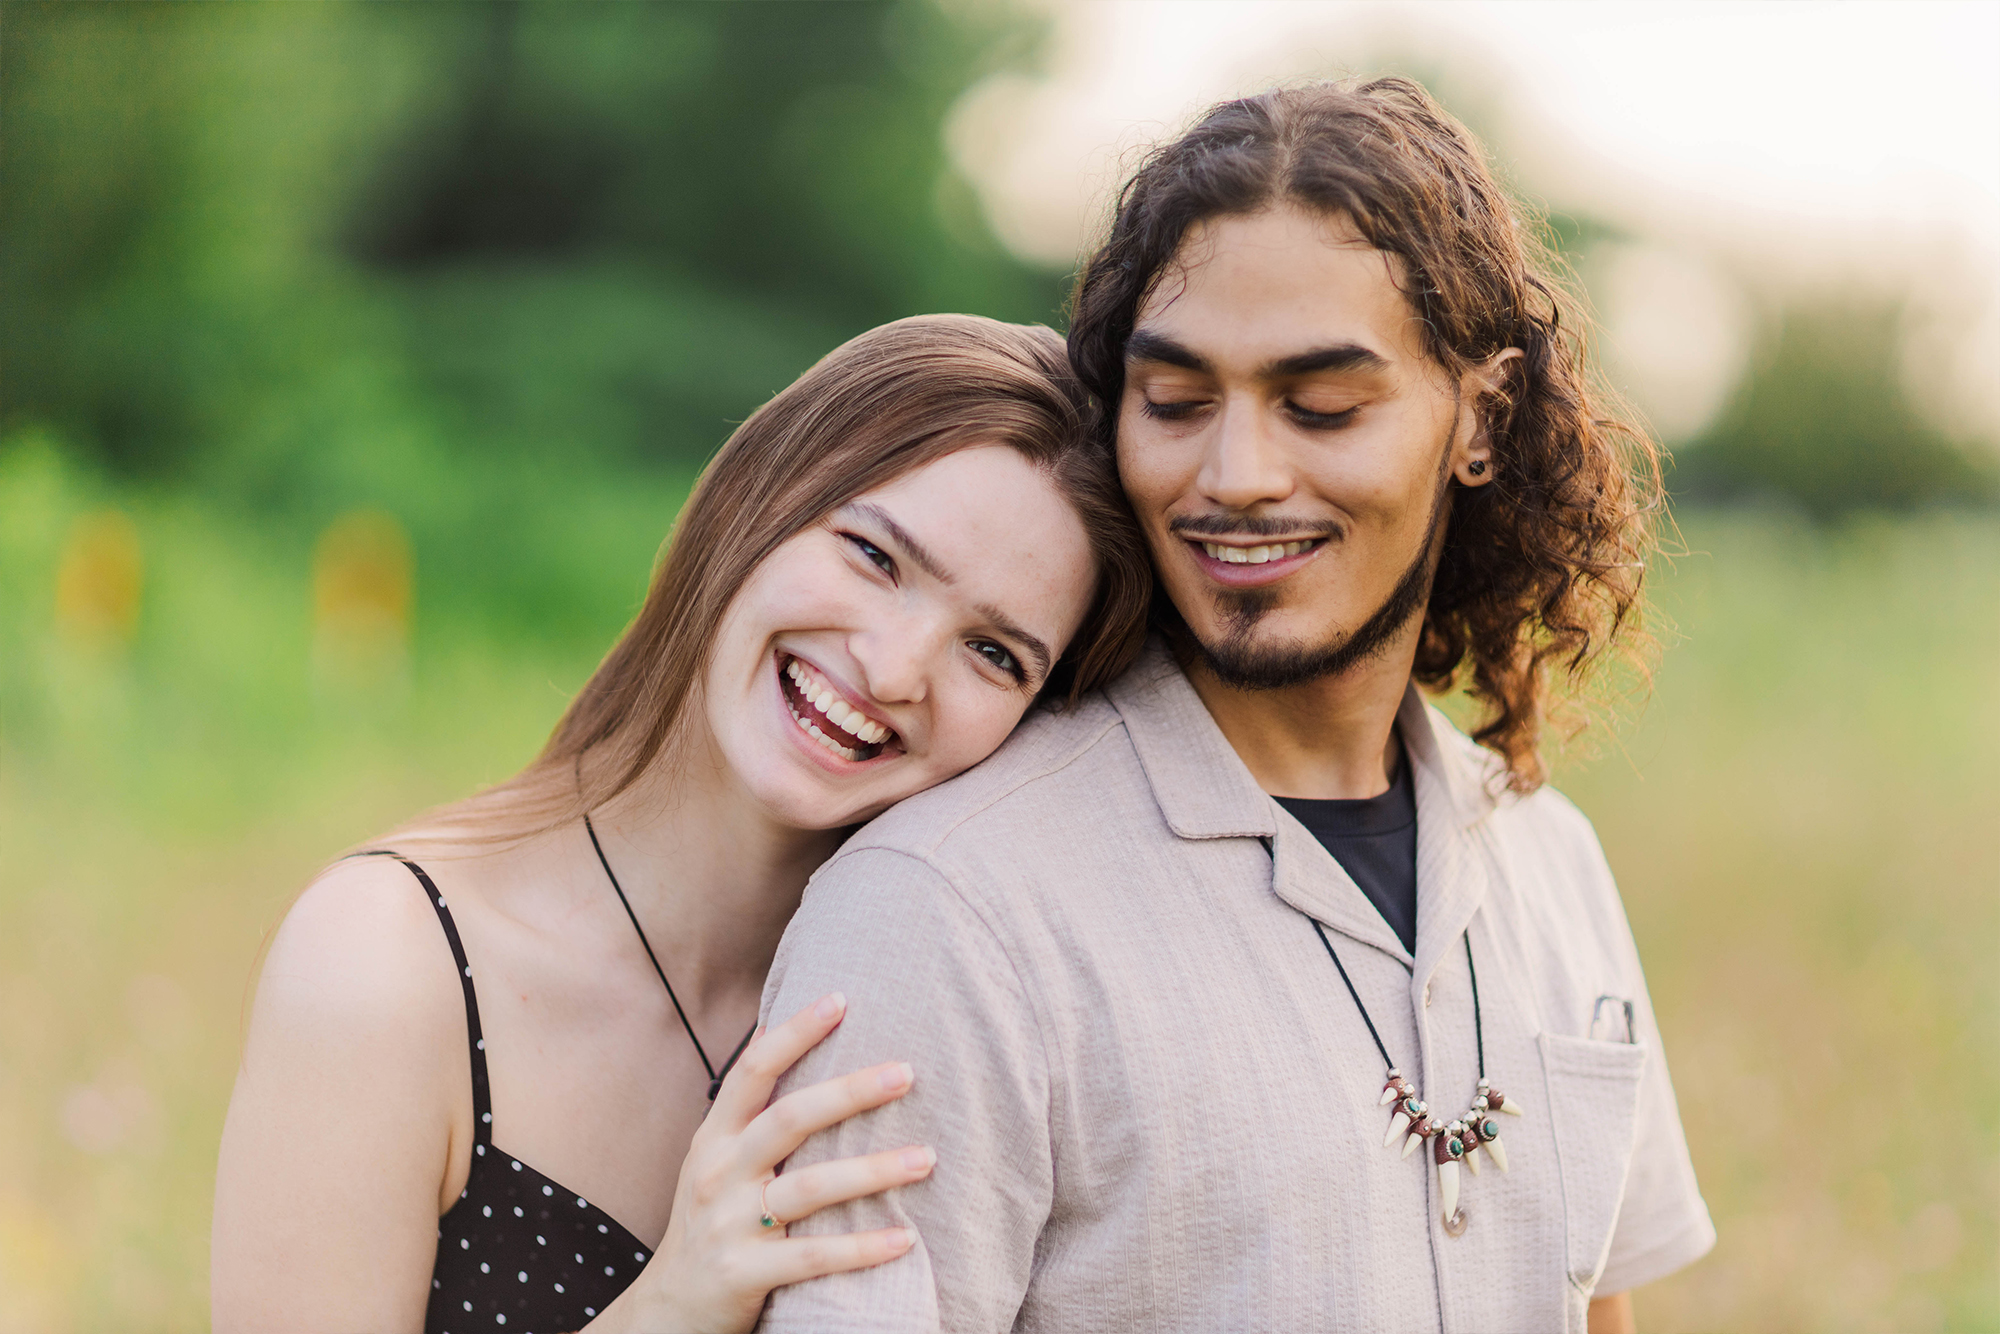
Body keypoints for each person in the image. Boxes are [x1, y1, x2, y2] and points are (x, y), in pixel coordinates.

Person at [757, 78, 1714, 1334]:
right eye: (1175, 401)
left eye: (1321, 405)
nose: (1235, 476)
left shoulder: (1552, 860)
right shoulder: (943, 912)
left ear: (1477, 418)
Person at [210, 315, 1152, 1334]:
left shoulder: (928, 1026)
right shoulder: (385, 962)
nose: (891, 667)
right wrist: (668, 1307)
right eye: (875, 555)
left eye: (993, 652)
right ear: (753, 498)